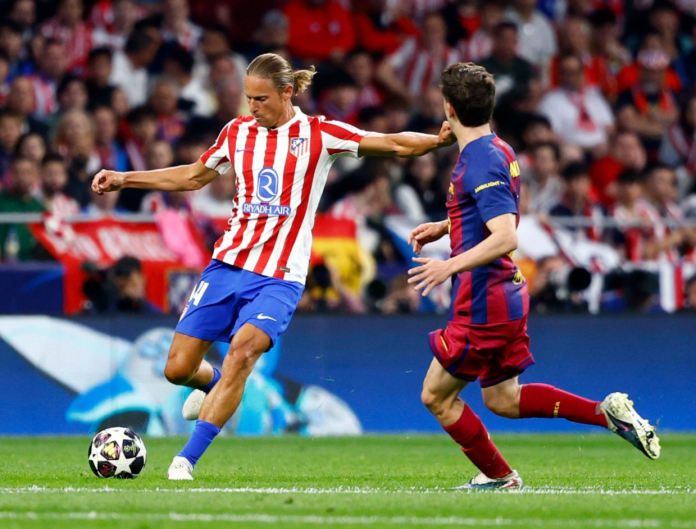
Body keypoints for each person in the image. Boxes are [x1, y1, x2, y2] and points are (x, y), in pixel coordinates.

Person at [91, 52, 456, 480]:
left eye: (261, 98)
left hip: (280, 277)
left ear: (287, 93)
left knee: (242, 354)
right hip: (227, 265)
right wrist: (125, 178)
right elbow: (192, 176)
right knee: (177, 369)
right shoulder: (236, 132)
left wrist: (435, 141)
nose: (253, 106)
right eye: (248, 98)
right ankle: (215, 385)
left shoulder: (319, 133)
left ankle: (185, 459)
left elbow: (390, 142)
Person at [405, 62, 661, 490]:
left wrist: (449, 264)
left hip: (483, 298)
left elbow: (506, 235)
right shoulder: (499, 149)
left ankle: (501, 477)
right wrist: (446, 225)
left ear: (448, 107)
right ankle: (605, 413)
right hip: (504, 294)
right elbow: (488, 212)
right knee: (504, 399)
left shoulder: (480, 160)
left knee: (436, 396)